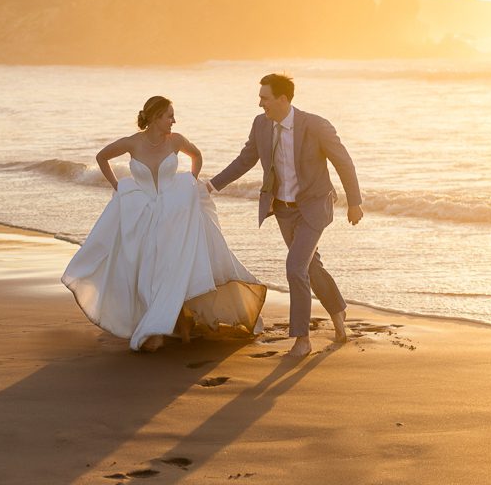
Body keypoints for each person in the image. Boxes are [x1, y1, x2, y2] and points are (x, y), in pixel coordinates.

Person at [62, 96, 266, 352]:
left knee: (175, 265)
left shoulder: (176, 140)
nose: (174, 120)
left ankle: (171, 326)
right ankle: (160, 324)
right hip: (143, 211)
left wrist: (190, 183)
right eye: (169, 115)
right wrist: (119, 186)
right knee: (148, 268)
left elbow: (197, 156)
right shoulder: (132, 143)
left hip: (175, 210)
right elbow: (102, 157)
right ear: (156, 116)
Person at [208, 74, 363, 358]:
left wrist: (355, 203)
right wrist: (212, 185)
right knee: (310, 267)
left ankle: (302, 339)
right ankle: (339, 311)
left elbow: (343, 161)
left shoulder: (315, 125)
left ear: (282, 99)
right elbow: (246, 159)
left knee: (295, 267)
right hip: (283, 209)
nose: (259, 103)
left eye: (264, 98)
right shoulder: (261, 125)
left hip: (314, 206)